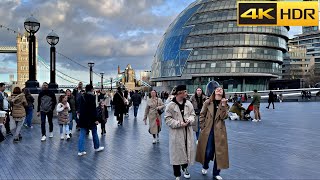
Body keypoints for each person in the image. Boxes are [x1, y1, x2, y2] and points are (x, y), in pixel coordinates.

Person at [196, 86, 229, 180]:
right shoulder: (208, 102)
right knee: (208, 151)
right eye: (217, 89)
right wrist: (202, 126)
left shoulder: (225, 104)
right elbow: (202, 115)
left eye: (221, 89)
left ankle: (216, 173)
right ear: (214, 91)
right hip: (208, 130)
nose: (219, 90)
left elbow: (224, 117)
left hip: (220, 131)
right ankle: (205, 165)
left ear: (223, 93)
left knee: (219, 153)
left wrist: (223, 105)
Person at [165, 85, 196, 180]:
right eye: (185, 92)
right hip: (176, 133)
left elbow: (193, 114)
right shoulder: (171, 105)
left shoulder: (188, 103)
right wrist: (178, 123)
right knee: (176, 153)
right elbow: (167, 119)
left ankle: (185, 168)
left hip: (187, 132)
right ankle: (177, 174)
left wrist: (190, 120)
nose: (187, 93)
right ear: (180, 93)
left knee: (186, 150)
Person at [77, 84, 104, 156]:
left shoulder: (81, 96)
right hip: (91, 119)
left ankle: (80, 151)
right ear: (92, 89)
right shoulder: (92, 97)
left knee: (82, 134)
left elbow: (79, 106)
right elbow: (93, 110)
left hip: (83, 118)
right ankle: (97, 147)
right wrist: (96, 119)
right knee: (94, 132)